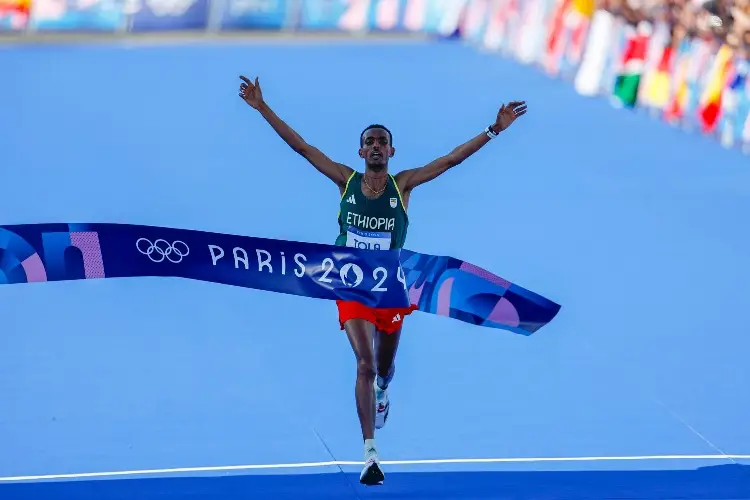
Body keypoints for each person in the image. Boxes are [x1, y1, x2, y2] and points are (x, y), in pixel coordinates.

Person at [238, 75, 526, 486]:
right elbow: (301, 148)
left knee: (385, 368)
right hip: (351, 284)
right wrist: (262, 107)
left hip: (391, 288)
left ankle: (384, 390)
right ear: (360, 151)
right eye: (369, 141)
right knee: (365, 362)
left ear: (391, 151)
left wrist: (493, 129)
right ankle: (370, 453)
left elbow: (450, 160)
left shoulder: (402, 185)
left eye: (381, 141)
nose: (375, 146)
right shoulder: (344, 180)